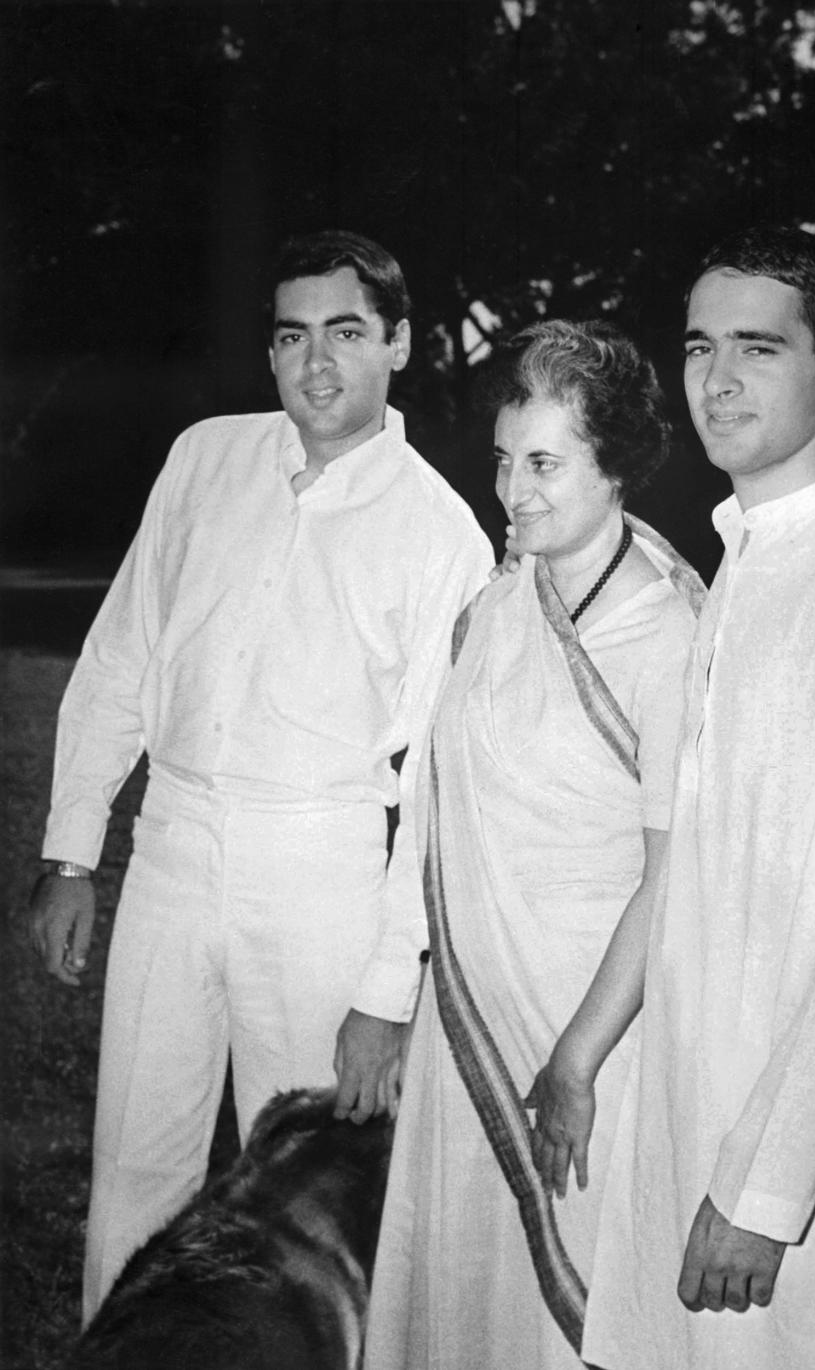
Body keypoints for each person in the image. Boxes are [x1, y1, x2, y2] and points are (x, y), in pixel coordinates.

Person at [27, 230, 493, 1323]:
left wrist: (385, 991)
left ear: (400, 344)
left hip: (319, 866)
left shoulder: (442, 534)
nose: (316, 362)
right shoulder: (206, 458)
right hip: (173, 853)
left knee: (303, 1196)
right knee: (136, 1169)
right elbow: (121, 655)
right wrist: (70, 850)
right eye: (292, 335)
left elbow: (432, 790)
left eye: (345, 332)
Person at [581, 225, 815, 1370]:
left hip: (780, 1170)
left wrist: (768, 1185)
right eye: (700, 347)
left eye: (758, 347)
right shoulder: (745, 560)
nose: (719, 380)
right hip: (690, 1104)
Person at [363, 319, 705, 1369]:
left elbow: (674, 872)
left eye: (546, 462)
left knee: (577, 1308)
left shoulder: (671, 631)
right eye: (505, 460)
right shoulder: (495, 607)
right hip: (469, 1017)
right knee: (468, 1287)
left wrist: (575, 1056)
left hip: (599, 1029)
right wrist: (388, 988)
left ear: (615, 467)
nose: (514, 489)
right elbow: (432, 809)